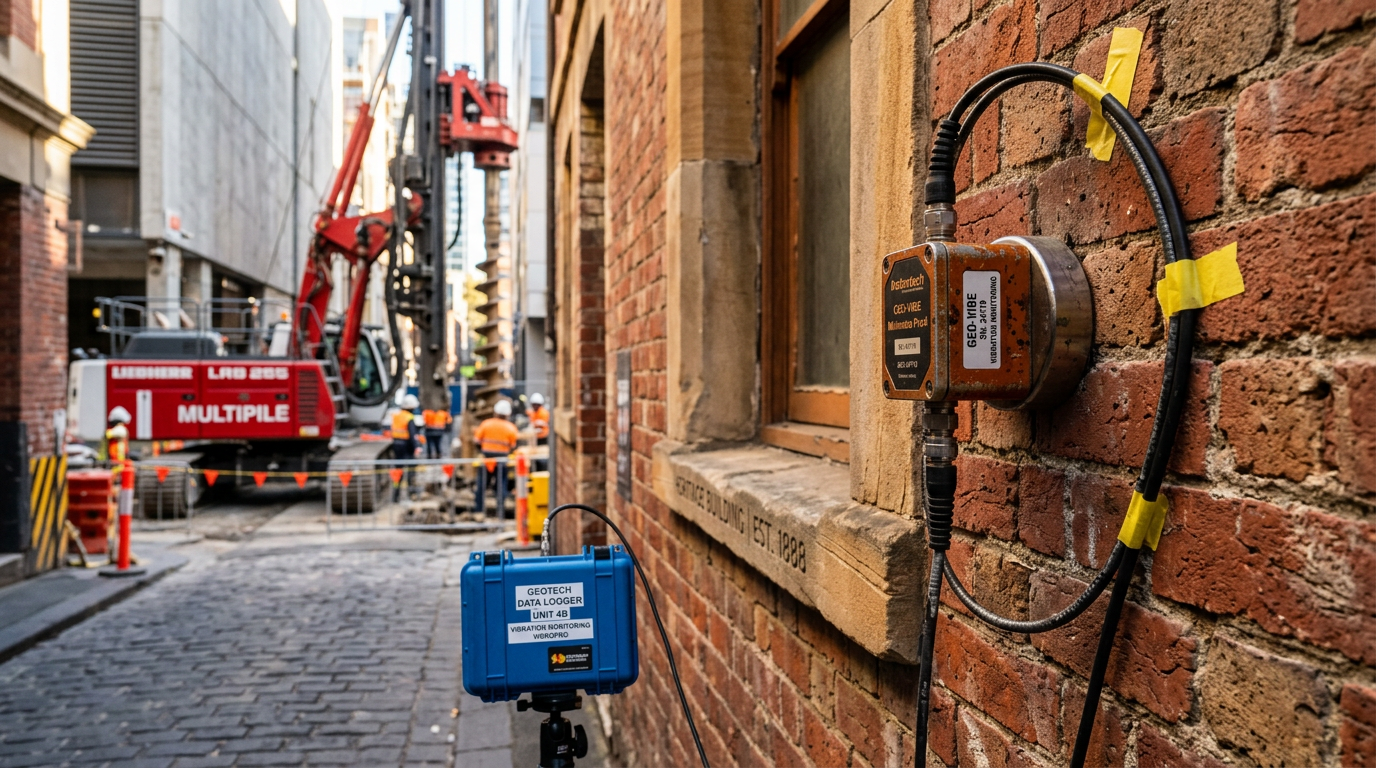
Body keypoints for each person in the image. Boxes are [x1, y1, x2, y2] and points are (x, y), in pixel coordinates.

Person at [472, 399, 519, 517]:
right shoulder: (511, 427)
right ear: (508, 414)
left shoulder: (486, 424)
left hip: (486, 459)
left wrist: (483, 450)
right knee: (501, 486)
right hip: (502, 460)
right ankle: (500, 513)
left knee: (481, 486)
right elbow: (512, 445)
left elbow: (476, 441)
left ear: (495, 412)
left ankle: (479, 511)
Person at [389, 395, 421, 500]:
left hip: (396, 444)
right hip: (407, 446)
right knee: (411, 470)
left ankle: (395, 496)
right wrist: (417, 447)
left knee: (398, 471)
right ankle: (411, 493)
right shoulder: (409, 417)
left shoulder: (396, 415)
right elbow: (412, 434)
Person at [103, 406, 131, 480]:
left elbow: (109, 434)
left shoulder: (121, 430)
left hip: (118, 464)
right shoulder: (120, 430)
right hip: (115, 463)